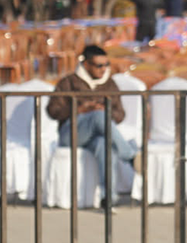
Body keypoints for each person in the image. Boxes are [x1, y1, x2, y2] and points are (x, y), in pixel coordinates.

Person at [46, 46, 135, 207]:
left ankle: (108, 197)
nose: (104, 69)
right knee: (97, 116)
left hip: (96, 136)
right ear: (86, 65)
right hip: (71, 134)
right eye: (99, 65)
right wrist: (78, 110)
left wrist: (104, 109)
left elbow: (120, 114)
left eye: (106, 65)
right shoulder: (68, 82)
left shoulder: (109, 84)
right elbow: (52, 111)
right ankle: (130, 156)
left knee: (104, 145)